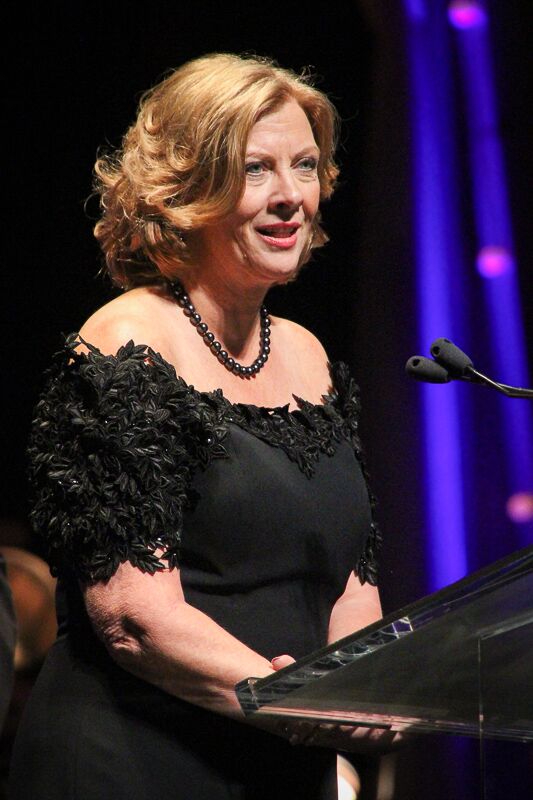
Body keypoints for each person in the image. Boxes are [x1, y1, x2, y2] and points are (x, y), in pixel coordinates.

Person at [9, 53, 390, 800]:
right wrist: (305, 707)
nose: (290, 196)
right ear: (189, 190)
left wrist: (362, 707)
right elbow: (135, 620)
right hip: (136, 763)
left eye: (304, 166)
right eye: (255, 170)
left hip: (284, 756)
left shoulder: (309, 354)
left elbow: (350, 576)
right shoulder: (124, 345)